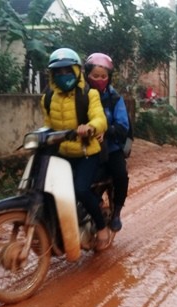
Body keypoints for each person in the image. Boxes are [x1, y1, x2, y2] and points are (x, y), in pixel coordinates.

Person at [41, 47, 111, 251]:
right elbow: (48, 125)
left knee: (80, 189)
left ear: (77, 71)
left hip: (86, 153)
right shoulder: (47, 98)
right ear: (52, 74)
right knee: (46, 189)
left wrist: (90, 126)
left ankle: (101, 227)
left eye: (68, 71)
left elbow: (100, 119)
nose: (64, 76)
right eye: (58, 72)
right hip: (61, 152)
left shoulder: (89, 95)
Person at [84, 52, 130, 232]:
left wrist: (107, 132)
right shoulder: (81, 95)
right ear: (87, 75)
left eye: (103, 76)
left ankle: (117, 212)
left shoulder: (114, 98)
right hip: (85, 148)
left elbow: (122, 125)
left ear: (109, 77)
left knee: (120, 175)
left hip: (110, 148)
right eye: (95, 76)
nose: (99, 79)